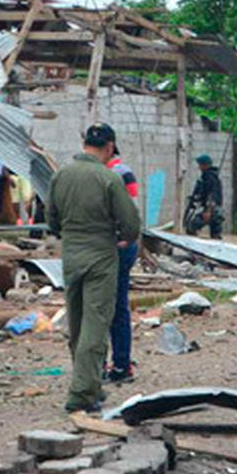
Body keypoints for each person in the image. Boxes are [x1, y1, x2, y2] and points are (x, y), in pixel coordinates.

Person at [47, 123, 140, 413]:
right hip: (101, 257)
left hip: (71, 256)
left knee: (76, 323)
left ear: (84, 142)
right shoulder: (108, 178)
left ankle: (89, 384)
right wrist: (122, 239)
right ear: (109, 147)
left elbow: (51, 222)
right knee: (96, 324)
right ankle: (83, 393)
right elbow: (131, 226)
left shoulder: (60, 175)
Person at [105, 148, 140, 383]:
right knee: (118, 306)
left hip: (114, 245)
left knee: (107, 307)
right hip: (121, 244)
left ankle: (115, 364)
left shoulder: (115, 173)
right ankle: (120, 364)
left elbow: (129, 210)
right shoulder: (123, 172)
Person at [184, 154, 224, 238]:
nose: (199, 167)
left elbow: (211, 195)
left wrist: (208, 210)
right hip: (214, 210)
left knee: (191, 228)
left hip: (212, 210)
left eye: (200, 165)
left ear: (205, 165)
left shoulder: (210, 178)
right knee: (215, 235)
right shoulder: (208, 176)